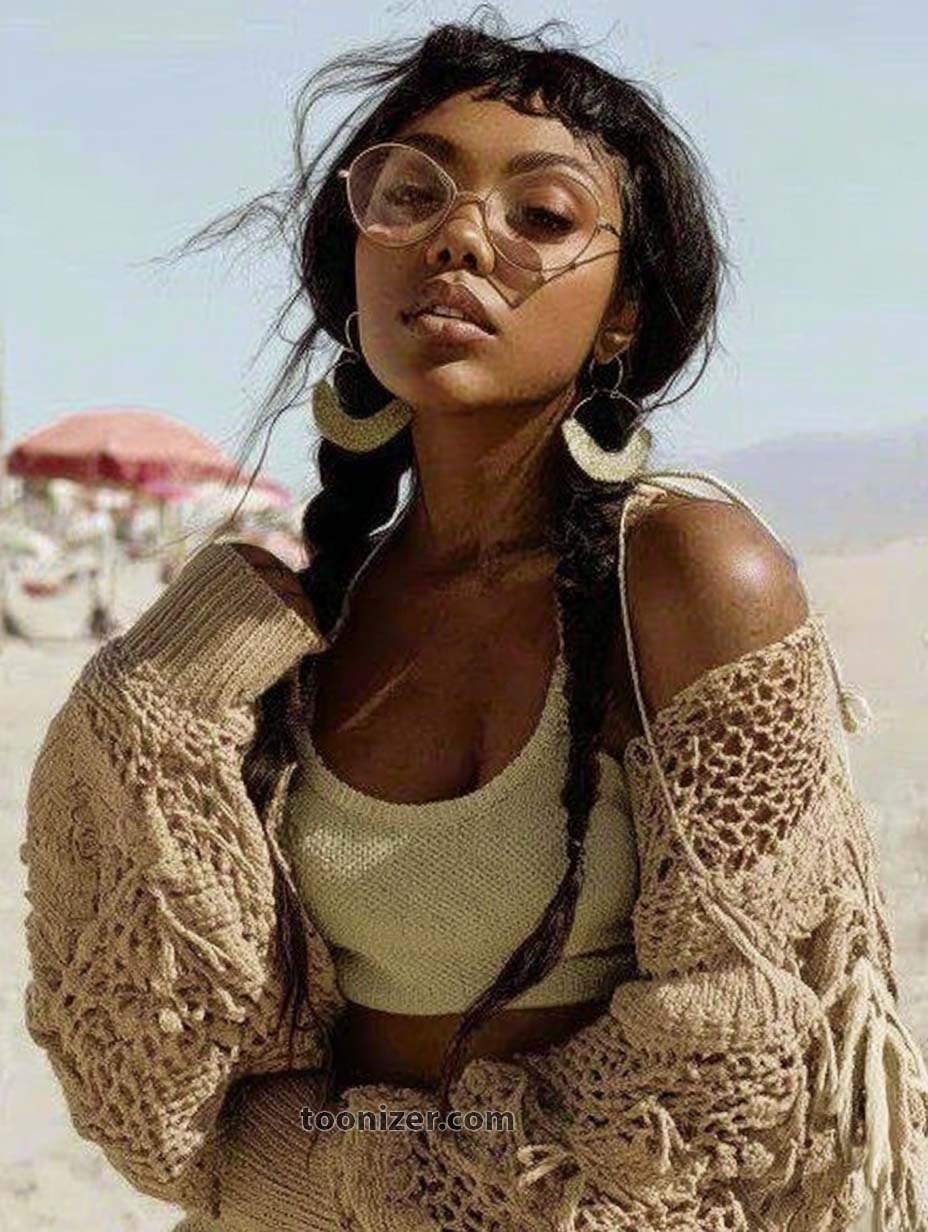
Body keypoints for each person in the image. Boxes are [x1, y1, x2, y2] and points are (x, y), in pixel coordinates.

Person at [21, 11, 928, 1231]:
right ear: (357, 258)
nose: (457, 238)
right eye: (410, 196)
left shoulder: (686, 574)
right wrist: (154, 693)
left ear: (621, 316)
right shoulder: (298, 617)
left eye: (540, 217)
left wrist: (340, 1177)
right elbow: (138, 1064)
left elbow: (725, 1066)